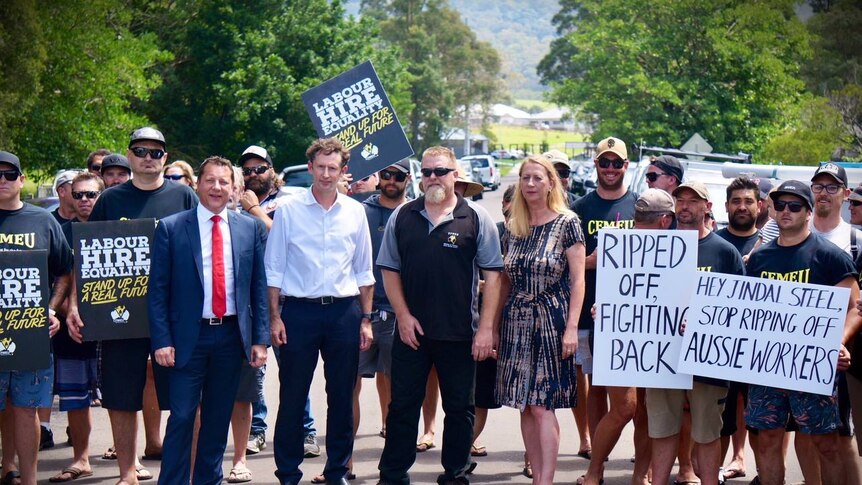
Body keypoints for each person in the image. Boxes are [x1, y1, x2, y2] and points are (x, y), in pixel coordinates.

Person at [66, 127, 198, 485]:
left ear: (165, 158)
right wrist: (76, 304)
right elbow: (87, 257)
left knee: (185, 395)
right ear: (129, 155)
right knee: (122, 394)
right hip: (119, 309)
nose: (148, 158)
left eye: (156, 152)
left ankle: (185, 470)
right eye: (140, 151)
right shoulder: (110, 200)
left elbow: (203, 251)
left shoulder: (184, 196)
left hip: (173, 314)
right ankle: (127, 473)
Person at [376, 146, 503, 485]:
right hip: (411, 332)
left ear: (455, 174)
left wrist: (486, 329)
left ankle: (456, 473)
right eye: (428, 171)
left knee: (460, 409)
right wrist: (402, 315)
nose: (433, 177)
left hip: (460, 333)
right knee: (402, 407)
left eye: (441, 171)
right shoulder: (403, 216)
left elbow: (493, 276)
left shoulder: (476, 217)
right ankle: (392, 474)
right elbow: (389, 270)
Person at [148, 156, 269, 485]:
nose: (217, 187)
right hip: (188, 339)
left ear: (234, 188)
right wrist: (162, 340)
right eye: (210, 180)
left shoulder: (249, 227)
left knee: (217, 420)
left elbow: (258, 289)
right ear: (197, 184)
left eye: (224, 182)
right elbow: (157, 291)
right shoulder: (173, 228)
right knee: (183, 416)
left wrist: (260, 339)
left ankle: (208, 480)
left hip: (231, 338)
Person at [266, 137, 374, 485]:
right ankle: (287, 472)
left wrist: (367, 319)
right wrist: (274, 316)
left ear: (343, 171)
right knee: (293, 395)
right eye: (321, 167)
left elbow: (364, 271)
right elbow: (275, 268)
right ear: (310, 168)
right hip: (299, 313)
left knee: (342, 396)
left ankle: (337, 470)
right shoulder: (288, 210)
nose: (327, 174)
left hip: (344, 313)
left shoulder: (355, 212)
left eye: (334, 168)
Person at [745, 180, 861, 485]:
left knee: (825, 442)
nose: (786, 211)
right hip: (767, 366)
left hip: (813, 366)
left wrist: (839, 342)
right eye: (780, 205)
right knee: (768, 438)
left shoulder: (830, 256)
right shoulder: (759, 259)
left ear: (808, 212)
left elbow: (855, 307)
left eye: (794, 206)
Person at [310, 160, 413, 485]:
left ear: (408, 179)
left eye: (398, 176)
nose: (391, 181)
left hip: (400, 314)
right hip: (357, 313)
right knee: (346, 389)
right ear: (378, 177)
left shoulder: (415, 213)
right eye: (386, 174)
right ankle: (342, 464)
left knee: (400, 394)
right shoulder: (358, 211)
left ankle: (392, 468)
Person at [647, 181, 745, 485]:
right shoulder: (658, 245)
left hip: (708, 361)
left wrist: (706, 323)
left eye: (693, 200)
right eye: (681, 200)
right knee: (662, 431)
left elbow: (740, 308)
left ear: (708, 207)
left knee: (706, 433)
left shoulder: (725, 252)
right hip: (662, 357)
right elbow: (638, 293)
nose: (686, 206)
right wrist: (609, 311)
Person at [495, 155, 585, 485]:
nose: (530, 184)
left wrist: (572, 328)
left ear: (550, 183)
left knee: (543, 405)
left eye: (537, 178)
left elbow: (578, 280)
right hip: (516, 321)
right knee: (524, 404)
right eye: (525, 178)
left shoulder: (567, 222)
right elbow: (503, 280)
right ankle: (536, 475)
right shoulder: (512, 226)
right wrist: (492, 328)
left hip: (552, 321)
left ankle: (545, 480)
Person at [237, 144, 319, 458]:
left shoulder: (291, 201)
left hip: (285, 300)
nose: (254, 174)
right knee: (254, 371)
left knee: (293, 371)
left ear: (273, 171)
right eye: (248, 170)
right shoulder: (235, 205)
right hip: (250, 300)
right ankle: (257, 431)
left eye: (260, 168)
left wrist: (255, 211)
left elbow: (289, 241)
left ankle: (306, 431)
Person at [0, 151, 73, 485]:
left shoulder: (43, 221)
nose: (2, 180)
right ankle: (7, 467)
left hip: (32, 332)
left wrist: (52, 309)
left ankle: (28, 478)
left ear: (22, 179)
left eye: (9, 174)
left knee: (27, 407)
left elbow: (64, 270)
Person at [571, 137, 637, 483]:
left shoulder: (639, 206)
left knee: (633, 395)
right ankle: (597, 458)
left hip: (636, 315)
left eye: (616, 163)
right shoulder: (580, 208)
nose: (610, 169)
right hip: (590, 311)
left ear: (626, 166)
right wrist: (591, 262)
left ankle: (639, 460)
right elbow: (567, 261)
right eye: (604, 163)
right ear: (596, 165)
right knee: (596, 385)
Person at [806, 163, 862, 483]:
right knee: (802, 431)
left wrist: (839, 341)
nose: (823, 193)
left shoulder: (856, 240)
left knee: (841, 433)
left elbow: (859, 304)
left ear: (845, 193)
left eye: (831, 187)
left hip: (841, 356)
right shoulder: (791, 233)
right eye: (818, 186)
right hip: (793, 353)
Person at [48, 172, 105, 483]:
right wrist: (58, 310)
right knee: (75, 397)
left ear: (102, 195)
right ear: (69, 196)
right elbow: (61, 275)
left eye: (92, 194)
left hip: (114, 325)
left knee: (120, 394)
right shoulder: (61, 232)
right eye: (79, 194)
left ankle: (129, 457)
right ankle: (81, 459)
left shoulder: (116, 228)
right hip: (73, 328)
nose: (85, 200)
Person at [714, 177, 763, 481]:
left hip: (759, 345)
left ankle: (762, 470)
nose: (742, 206)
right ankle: (713, 471)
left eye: (748, 201)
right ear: (726, 206)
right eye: (736, 201)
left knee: (761, 416)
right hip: (718, 345)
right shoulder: (713, 243)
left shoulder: (772, 246)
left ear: (760, 205)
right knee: (721, 412)